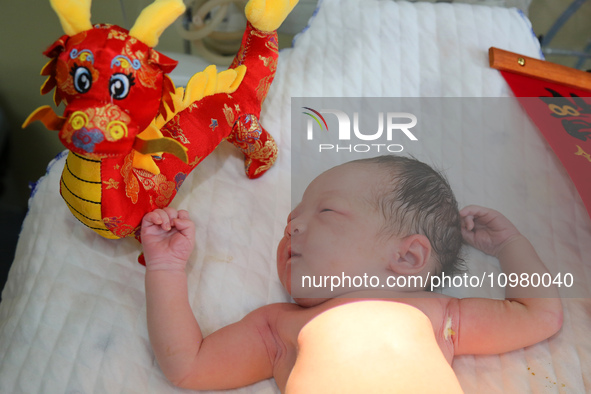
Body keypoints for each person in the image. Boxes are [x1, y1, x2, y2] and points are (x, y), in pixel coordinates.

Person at [141, 155, 563, 393]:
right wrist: (165, 268)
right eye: (291, 218)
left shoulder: (441, 315)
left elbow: (539, 313)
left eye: (325, 211)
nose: (292, 227)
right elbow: (188, 365)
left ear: (409, 257)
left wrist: (511, 247)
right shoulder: (278, 326)